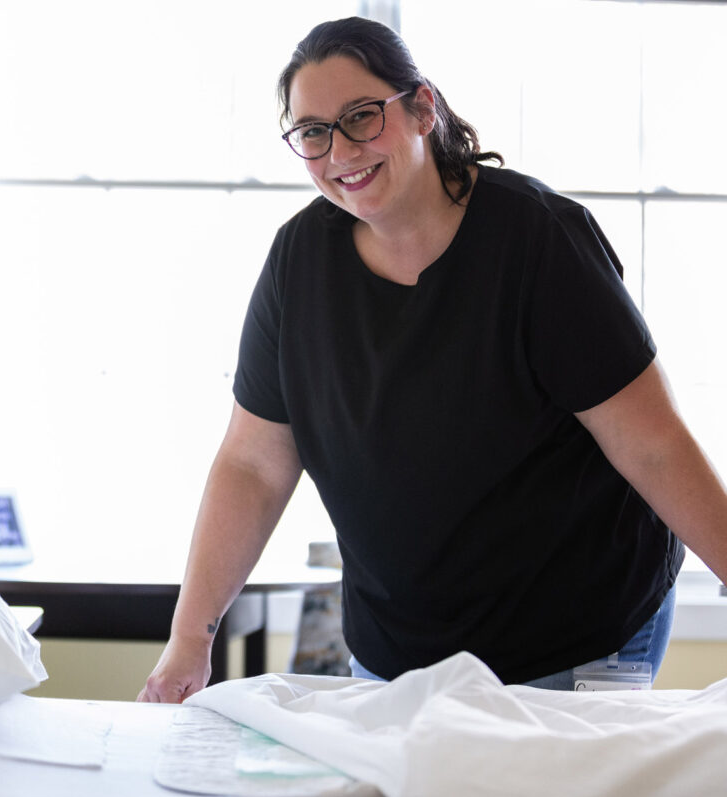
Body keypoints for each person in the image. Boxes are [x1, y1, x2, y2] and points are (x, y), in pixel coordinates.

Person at [138, 16, 727, 702]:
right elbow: (253, 464)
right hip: (397, 654)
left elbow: (651, 444)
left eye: (362, 116)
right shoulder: (298, 264)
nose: (340, 150)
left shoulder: (537, 241)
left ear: (423, 108)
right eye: (313, 132)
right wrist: (189, 639)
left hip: (579, 637)